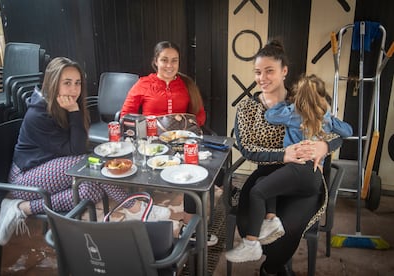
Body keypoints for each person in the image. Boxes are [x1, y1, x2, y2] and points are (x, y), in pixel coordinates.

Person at [0, 57, 170, 246]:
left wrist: (74, 111)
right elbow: (75, 152)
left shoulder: (61, 105)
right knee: (89, 164)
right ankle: (135, 207)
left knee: (89, 190)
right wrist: (75, 111)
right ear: (53, 83)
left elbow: (75, 147)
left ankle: (23, 208)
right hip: (25, 179)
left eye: (77, 83)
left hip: (50, 170)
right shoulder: (39, 114)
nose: (74, 89)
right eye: (67, 83)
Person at [225, 40, 344, 275]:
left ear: (284, 71)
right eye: (258, 72)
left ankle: (271, 268)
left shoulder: (303, 100)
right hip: (266, 176)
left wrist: (323, 145)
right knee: (252, 224)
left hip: (301, 176)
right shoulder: (247, 109)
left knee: (287, 230)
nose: (262, 78)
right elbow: (247, 148)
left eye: (270, 71)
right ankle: (275, 261)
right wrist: (283, 154)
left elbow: (337, 134)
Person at [120, 41, 218, 246]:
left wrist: (187, 130)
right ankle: (150, 227)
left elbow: (199, 114)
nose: (169, 65)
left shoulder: (186, 84)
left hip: (180, 143)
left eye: (174, 60)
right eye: (164, 60)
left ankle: (190, 226)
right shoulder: (143, 84)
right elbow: (125, 115)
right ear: (156, 61)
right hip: (151, 144)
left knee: (197, 172)